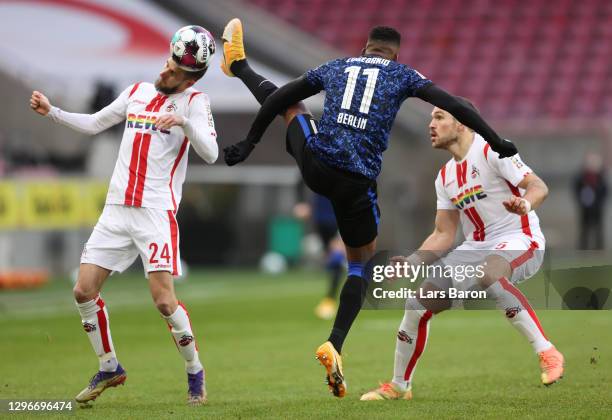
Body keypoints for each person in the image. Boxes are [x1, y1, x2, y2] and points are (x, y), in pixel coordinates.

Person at [220, 19, 517, 398]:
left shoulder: (338, 65)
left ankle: (239, 65)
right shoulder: (402, 74)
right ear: (396, 54)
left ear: (365, 48)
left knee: (291, 105)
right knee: (360, 264)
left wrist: (249, 143)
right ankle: (335, 343)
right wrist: (496, 140)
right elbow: (455, 104)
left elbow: (279, 98)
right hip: (356, 185)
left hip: (318, 164)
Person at [29, 25, 218, 406]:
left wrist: (183, 123)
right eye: (167, 61)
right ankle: (109, 365)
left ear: (191, 76)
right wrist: (54, 112)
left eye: (174, 69)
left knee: (164, 302)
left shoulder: (195, 103)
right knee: (83, 290)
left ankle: (194, 370)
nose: (165, 70)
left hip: (154, 213)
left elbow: (212, 153)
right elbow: (97, 122)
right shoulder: (137, 92)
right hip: (116, 210)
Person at [360, 102, 564, 401]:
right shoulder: (444, 177)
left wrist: (525, 203)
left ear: (463, 123)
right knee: (417, 304)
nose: (431, 124)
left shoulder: (492, 151)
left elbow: (538, 186)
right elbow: (444, 233)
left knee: (490, 275)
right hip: (474, 248)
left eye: (440, 117)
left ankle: (548, 352)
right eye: (431, 118)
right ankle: (399, 386)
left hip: (520, 238)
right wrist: (413, 261)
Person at [293, 186, 346, 320]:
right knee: (333, 261)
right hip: (321, 218)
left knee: (336, 257)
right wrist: (301, 203)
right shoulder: (317, 164)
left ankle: (330, 300)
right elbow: (300, 178)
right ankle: (331, 300)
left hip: (343, 214)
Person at [574, 153, 608, 250]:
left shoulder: (600, 177)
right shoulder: (581, 177)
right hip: (585, 207)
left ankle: (599, 248)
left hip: (597, 207)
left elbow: (605, 191)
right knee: (585, 228)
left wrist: (599, 202)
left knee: (598, 228)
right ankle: (583, 248)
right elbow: (576, 189)